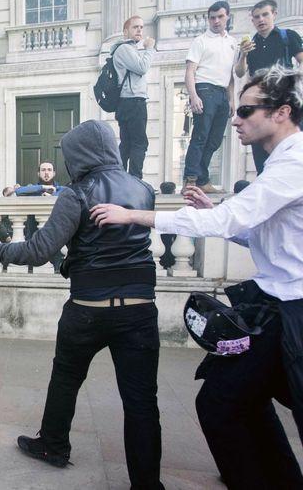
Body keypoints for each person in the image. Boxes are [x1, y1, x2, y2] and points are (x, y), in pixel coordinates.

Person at [89, 65, 303, 488]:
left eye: (245, 110)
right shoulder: (281, 161)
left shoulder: (293, 163)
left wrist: (133, 215)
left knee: (223, 404)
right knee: (236, 400)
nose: (235, 120)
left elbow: (230, 219)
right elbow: (261, 235)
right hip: (275, 305)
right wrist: (212, 214)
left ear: (281, 113)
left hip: (293, 312)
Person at [0, 120, 163, 489]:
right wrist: (69, 261)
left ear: (79, 154)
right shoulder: (143, 189)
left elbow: (37, 250)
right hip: (139, 309)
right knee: (141, 401)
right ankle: (148, 484)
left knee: (66, 377)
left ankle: (53, 445)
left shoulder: (77, 193)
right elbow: (110, 248)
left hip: (89, 310)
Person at [235, 0, 303, 173]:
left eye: (265, 14)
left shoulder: (287, 36)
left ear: (274, 14)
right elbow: (240, 72)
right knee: (261, 148)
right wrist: (243, 54)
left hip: (284, 98)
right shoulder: (250, 44)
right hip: (261, 102)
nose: (261, 20)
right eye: (256, 17)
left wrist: (293, 81)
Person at [183, 1, 238, 194]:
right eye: (212, 17)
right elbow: (190, 71)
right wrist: (194, 96)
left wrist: (231, 100)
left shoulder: (232, 43)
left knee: (214, 140)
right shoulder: (201, 41)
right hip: (204, 89)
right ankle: (190, 180)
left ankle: (202, 179)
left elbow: (232, 75)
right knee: (200, 136)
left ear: (227, 16)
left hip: (223, 93)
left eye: (220, 17)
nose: (216, 21)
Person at [113, 15, 156, 179]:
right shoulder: (125, 49)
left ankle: (122, 178)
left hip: (128, 102)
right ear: (125, 32)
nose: (139, 30)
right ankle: (134, 179)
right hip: (133, 101)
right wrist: (149, 49)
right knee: (139, 143)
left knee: (128, 143)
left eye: (141, 27)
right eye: (135, 27)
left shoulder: (128, 49)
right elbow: (142, 67)